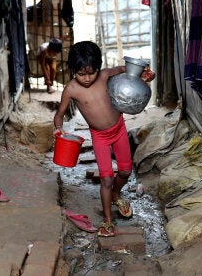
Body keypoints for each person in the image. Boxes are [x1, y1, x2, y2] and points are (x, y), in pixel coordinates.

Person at [53, 41, 155, 237]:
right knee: (106, 179)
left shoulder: (105, 75)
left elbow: (125, 68)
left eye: (91, 72)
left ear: (98, 67)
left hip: (118, 129)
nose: (86, 78)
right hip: (99, 137)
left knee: (125, 171)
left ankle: (117, 194)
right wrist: (58, 129)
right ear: (73, 70)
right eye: (81, 74)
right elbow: (59, 115)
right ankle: (108, 221)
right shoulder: (71, 89)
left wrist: (144, 74)